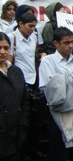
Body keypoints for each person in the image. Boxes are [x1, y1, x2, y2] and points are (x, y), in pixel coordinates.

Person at [39, 27, 73, 161]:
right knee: (59, 152)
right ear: (56, 43)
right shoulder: (47, 61)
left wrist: (65, 81)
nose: (70, 46)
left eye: (72, 42)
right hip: (59, 112)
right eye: (66, 43)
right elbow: (51, 88)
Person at [7, 12, 47, 160]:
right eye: (29, 26)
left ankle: (33, 148)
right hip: (20, 81)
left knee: (35, 118)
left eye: (34, 26)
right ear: (20, 24)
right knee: (22, 119)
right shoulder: (12, 38)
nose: (32, 29)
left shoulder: (34, 37)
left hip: (34, 79)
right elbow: (9, 61)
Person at [0, 32, 30, 161]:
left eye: (6, 48)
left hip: (15, 133)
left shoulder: (16, 71)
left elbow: (24, 101)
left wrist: (23, 125)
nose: (2, 52)